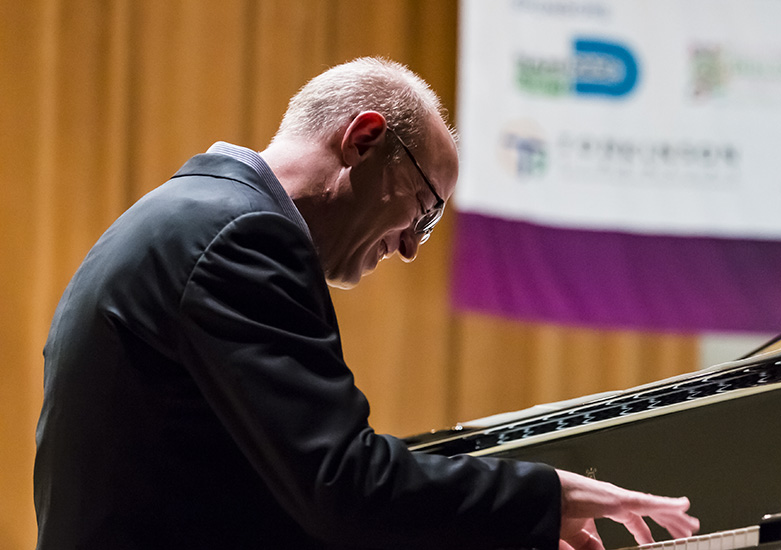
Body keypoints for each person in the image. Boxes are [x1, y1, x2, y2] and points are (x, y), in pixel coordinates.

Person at [34, 57, 698, 550]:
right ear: (365, 138)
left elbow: (257, 495)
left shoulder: (179, 219)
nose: (411, 246)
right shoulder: (243, 234)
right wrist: (547, 495)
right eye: (426, 209)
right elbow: (345, 489)